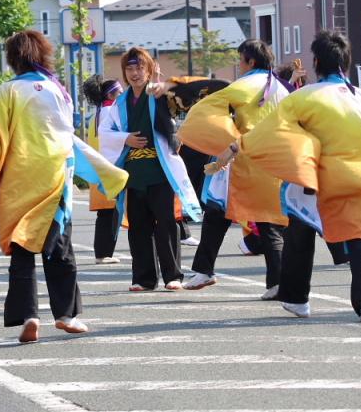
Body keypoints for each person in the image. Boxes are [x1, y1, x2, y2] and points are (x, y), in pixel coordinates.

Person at [220, 31, 361, 322]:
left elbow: (269, 131)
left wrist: (235, 147)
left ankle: (297, 299)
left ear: (317, 61)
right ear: (345, 61)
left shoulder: (304, 96)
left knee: (299, 232)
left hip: (325, 178)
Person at [0, 30, 128, 343]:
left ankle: (28, 316)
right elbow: (67, 134)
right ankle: (66, 315)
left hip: (18, 179)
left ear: (13, 58)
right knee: (59, 245)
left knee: (21, 246)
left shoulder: (6, 92)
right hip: (56, 175)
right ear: (43, 54)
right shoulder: (58, 90)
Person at [168, 39, 290, 298]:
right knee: (224, 213)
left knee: (259, 222)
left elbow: (207, 108)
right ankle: (207, 269)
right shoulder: (281, 87)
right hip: (274, 161)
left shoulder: (246, 85)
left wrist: (218, 144)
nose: (239, 65)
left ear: (251, 61)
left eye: (241, 60)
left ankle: (210, 271)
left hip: (246, 159)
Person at [98, 47, 201, 292]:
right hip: (134, 172)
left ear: (149, 69)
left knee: (166, 222)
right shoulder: (119, 103)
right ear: (124, 72)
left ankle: (172, 275)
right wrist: (125, 139)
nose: (135, 73)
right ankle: (144, 278)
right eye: (130, 68)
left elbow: (184, 105)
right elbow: (104, 132)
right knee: (139, 225)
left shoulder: (159, 95)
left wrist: (165, 88)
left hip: (160, 169)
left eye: (139, 68)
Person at [83, 75, 125, 263]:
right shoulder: (110, 113)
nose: (123, 95)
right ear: (112, 94)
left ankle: (103, 252)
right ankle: (103, 253)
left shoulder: (98, 114)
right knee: (109, 214)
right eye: (120, 92)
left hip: (99, 167)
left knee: (106, 213)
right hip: (110, 167)